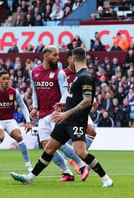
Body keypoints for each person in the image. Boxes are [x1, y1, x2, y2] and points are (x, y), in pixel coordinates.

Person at [11, 47, 113, 188]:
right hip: (65, 119)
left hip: (76, 120)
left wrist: (67, 112)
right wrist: (65, 103)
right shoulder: (79, 75)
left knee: (81, 152)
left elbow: (87, 101)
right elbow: (77, 97)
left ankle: (105, 178)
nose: (62, 59)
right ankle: (30, 177)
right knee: (49, 149)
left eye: (68, 57)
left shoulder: (85, 76)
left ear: (73, 58)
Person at [27, 45, 89, 182]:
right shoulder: (34, 72)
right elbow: (35, 91)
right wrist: (35, 107)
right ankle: (67, 172)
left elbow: (65, 94)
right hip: (42, 114)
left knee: (56, 143)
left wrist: (60, 108)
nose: (57, 58)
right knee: (46, 144)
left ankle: (81, 164)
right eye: (55, 55)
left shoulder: (60, 73)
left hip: (55, 112)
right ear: (46, 56)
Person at [0, 71, 32, 171]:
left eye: (8, 78)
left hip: (9, 120)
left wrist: (28, 121)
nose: (7, 81)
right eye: (4, 79)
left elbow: (23, 106)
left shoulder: (13, 92)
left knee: (19, 137)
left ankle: (28, 165)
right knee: (0, 137)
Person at [64, 51, 98, 171]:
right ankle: (67, 164)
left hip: (81, 108)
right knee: (62, 138)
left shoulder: (84, 73)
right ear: (71, 59)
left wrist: (94, 99)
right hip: (69, 108)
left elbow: (88, 90)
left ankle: (75, 158)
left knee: (92, 132)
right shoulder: (63, 74)